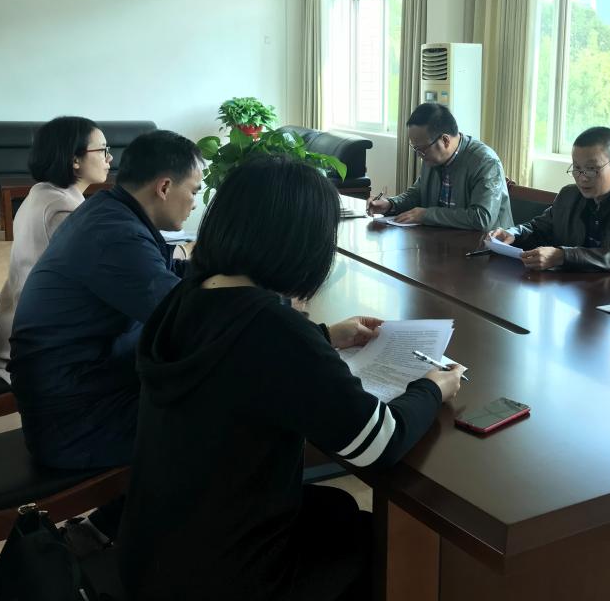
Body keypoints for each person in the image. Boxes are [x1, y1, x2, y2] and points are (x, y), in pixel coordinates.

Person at [119, 155, 466, 601]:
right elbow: (378, 444)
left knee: (338, 508)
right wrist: (432, 388)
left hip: (157, 550)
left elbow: (237, 357)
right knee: (389, 549)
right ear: (300, 243)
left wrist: (324, 336)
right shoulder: (273, 328)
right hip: (232, 578)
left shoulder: (187, 295)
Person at [9, 130, 203, 474]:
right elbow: (187, 318)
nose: (194, 203)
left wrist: (220, 270)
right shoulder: (115, 234)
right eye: (194, 191)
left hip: (83, 391)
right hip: (77, 425)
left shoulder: (109, 209)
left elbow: (165, 275)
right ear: (164, 187)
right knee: (227, 406)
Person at [0, 117, 111, 381]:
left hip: (16, 321)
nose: (110, 158)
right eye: (103, 150)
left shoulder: (42, 192)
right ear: (75, 159)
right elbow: (99, 276)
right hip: (39, 337)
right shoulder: (62, 209)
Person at [489, 127, 610, 278]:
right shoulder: (570, 195)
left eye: (591, 169)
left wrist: (563, 256)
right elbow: (540, 228)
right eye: (577, 168)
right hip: (585, 284)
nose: (582, 178)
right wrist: (512, 234)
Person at [366, 102, 512, 231]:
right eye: (415, 148)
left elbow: (481, 218)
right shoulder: (432, 157)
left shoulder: (485, 162)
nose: (419, 155)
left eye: (422, 149)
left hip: (485, 246)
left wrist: (426, 215)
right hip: (446, 240)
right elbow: (418, 194)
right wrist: (390, 204)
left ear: (445, 140)